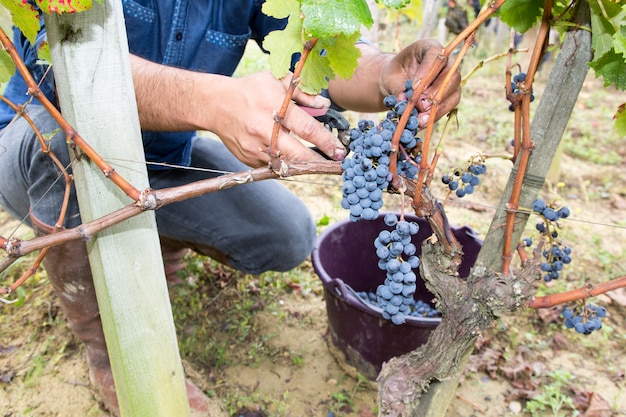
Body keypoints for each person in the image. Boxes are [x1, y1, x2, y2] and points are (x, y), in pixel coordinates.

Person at [0, 1, 461, 416]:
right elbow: (68, 74)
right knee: (63, 154)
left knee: (284, 233)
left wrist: (385, 72)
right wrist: (209, 100)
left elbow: (318, 51)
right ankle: (108, 355)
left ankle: (153, 235)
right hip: (42, 140)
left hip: (159, 159)